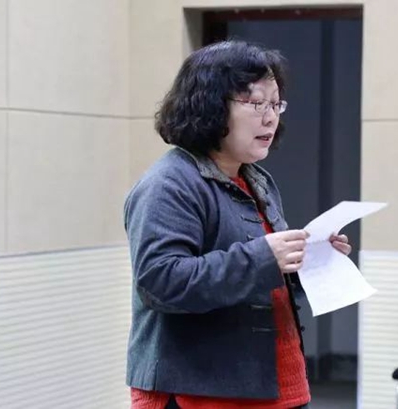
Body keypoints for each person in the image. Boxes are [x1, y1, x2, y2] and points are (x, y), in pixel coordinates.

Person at [123, 40, 351, 409]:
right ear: (210, 106)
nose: (270, 117)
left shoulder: (256, 179)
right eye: (257, 103)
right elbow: (160, 283)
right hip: (201, 394)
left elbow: (260, 281)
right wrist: (265, 258)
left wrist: (305, 262)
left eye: (276, 104)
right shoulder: (169, 183)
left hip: (276, 385)